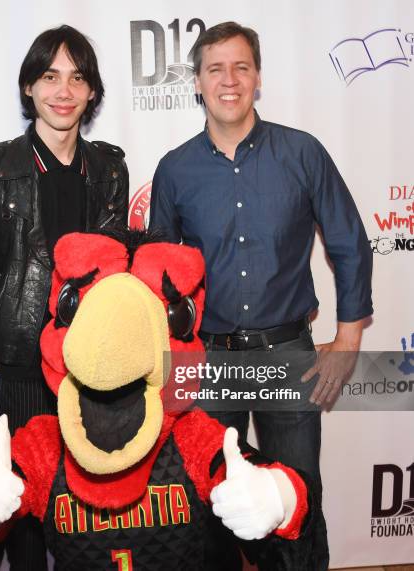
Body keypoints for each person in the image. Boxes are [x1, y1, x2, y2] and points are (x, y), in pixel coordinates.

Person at [149, 21, 372, 571]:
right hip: (205, 360)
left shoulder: (302, 153)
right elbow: (158, 275)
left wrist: (347, 338)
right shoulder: (175, 170)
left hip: (287, 356)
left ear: (258, 78)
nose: (229, 80)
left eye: (241, 67)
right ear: (197, 82)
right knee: (208, 501)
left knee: (294, 498)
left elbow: (348, 240)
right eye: (215, 68)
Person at [0, 25, 128, 570]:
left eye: (77, 78)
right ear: (29, 86)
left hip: (94, 369)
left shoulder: (108, 169)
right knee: (27, 506)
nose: (63, 90)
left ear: (92, 92)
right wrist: (7, 346)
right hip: (26, 370)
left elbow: (114, 265)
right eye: (50, 76)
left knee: (92, 505)